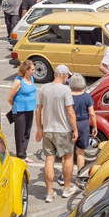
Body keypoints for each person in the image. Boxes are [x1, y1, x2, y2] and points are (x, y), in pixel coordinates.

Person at [34, 64, 78, 201]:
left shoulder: (43, 88)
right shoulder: (65, 90)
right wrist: (75, 129)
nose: (67, 79)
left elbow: (37, 110)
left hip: (48, 129)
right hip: (63, 130)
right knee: (68, 158)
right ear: (64, 75)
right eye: (67, 76)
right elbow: (70, 111)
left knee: (49, 158)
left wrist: (39, 128)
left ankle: (49, 192)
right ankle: (66, 188)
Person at [8, 59, 37, 163]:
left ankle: (24, 154)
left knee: (26, 133)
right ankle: (20, 156)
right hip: (20, 111)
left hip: (30, 110)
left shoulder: (31, 79)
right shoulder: (17, 81)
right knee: (20, 134)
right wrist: (15, 105)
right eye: (32, 69)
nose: (34, 71)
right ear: (26, 69)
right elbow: (9, 98)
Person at [69, 73, 96, 175]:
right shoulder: (86, 96)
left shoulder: (68, 96)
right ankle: (80, 174)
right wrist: (94, 126)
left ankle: (64, 175)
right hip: (83, 125)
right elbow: (92, 114)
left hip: (70, 124)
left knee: (68, 153)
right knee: (80, 152)